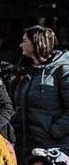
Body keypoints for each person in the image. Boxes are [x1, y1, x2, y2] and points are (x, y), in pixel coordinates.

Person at [12, 25, 69, 156]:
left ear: (37, 43)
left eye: (24, 41)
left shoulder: (62, 70)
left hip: (54, 146)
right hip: (26, 145)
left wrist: (54, 131)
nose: (21, 45)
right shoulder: (24, 71)